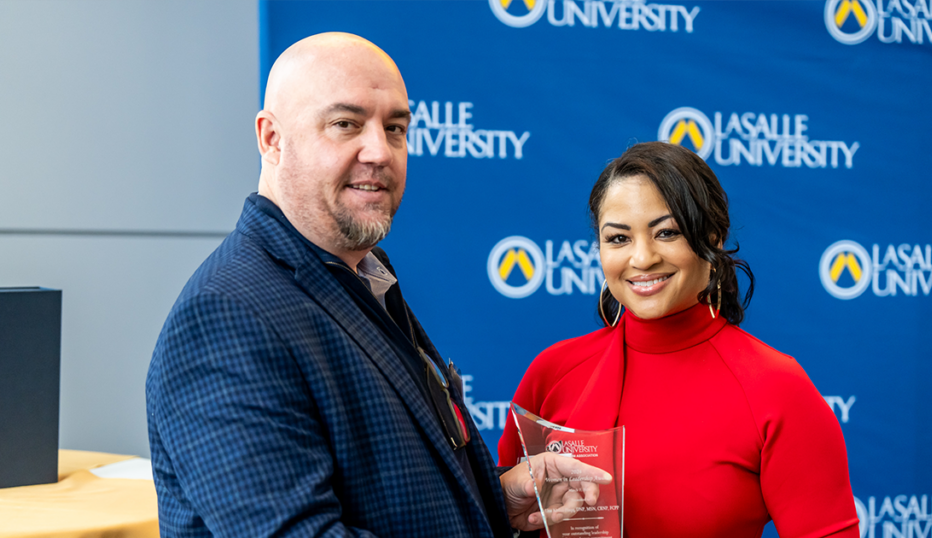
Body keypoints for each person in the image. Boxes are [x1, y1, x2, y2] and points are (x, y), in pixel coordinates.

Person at [146, 32, 605, 538]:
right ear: (271, 139)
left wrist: (496, 501)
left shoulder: (362, 276)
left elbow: (389, 495)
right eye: (346, 124)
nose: (380, 151)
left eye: (395, 128)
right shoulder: (228, 316)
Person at [498, 142, 860, 537]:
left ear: (714, 237)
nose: (642, 258)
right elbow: (504, 521)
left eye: (666, 232)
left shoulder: (776, 387)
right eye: (619, 239)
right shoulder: (552, 372)